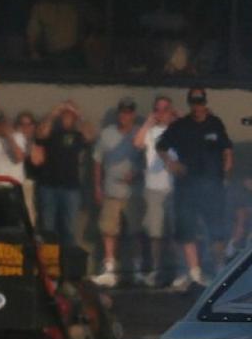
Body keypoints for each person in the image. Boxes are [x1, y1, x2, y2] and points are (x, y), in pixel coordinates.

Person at [156, 86, 233, 290]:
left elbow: (227, 149)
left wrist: (226, 171)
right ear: (189, 103)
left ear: (205, 103)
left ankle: (219, 270)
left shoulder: (215, 123)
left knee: (216, 229)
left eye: (200, 102)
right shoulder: (180, 126)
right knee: (187, 229)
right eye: (194, 102)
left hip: (212, 185)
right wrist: (171, 163)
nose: (197, 106)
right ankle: (194, 272)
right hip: (187, 186)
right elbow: (161, 145)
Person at [90, 96, 142, 287]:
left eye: (128, 113)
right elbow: (97, 161)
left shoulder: (140, 133)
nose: (125, 116)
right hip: (111, 190)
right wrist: (97, 186)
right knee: (109, 230)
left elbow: (148, 160)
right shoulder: (107, 133)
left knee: (136, 231)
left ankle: (136, 269)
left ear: (133, 115)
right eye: (122, 113)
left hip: (134, 192)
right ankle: (110, 268)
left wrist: (137, 172)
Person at [35, 100, 96, 250]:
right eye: (64, 115)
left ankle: (68, 259)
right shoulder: (51, 133)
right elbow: (40, 134)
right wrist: (53, 113)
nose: (67, 118)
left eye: (70, 115)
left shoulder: (78, 135)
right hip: (49, 186)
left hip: (71, 188)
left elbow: (90, 136)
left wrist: (79, 115)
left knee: (69, 229)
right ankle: (48, 259)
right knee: (48, 227)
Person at [133, 94, 176, 287]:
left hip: (174, 187)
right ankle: (156, 269)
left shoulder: (179, 130)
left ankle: (178, 270)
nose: (161, 113)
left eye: (165, 109)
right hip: (153, 187)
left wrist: (178, 118)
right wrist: (148, 122)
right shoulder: (150, 132)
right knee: (155, 233)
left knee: (175, 232)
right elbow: (137, 143)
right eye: (158, 109)